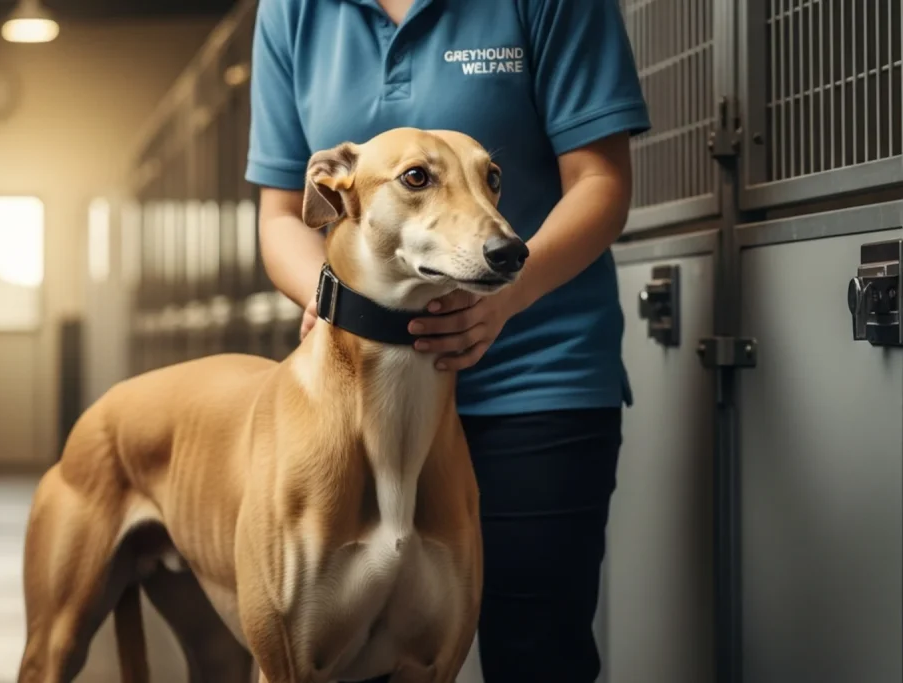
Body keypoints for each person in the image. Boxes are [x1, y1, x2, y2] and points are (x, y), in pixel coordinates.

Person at [244, 0, 650, 680]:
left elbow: (600, 180)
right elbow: (283, 211)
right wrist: (331, 295)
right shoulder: (292, 10)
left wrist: (507, 297)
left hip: (535, 376)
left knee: (537, 650)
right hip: (360, 401)